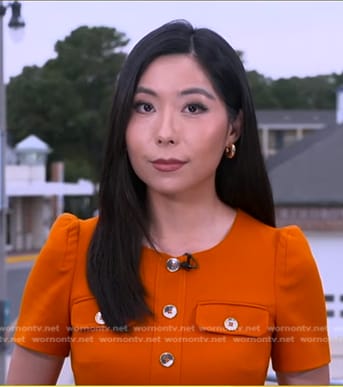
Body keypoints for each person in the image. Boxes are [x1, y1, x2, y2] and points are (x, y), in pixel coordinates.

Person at [6, 19, 330, 385]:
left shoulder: (282, 259)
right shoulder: (72, 249)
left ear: (233, 128)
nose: (164, 133)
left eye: (193, 108)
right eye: (144, 107)